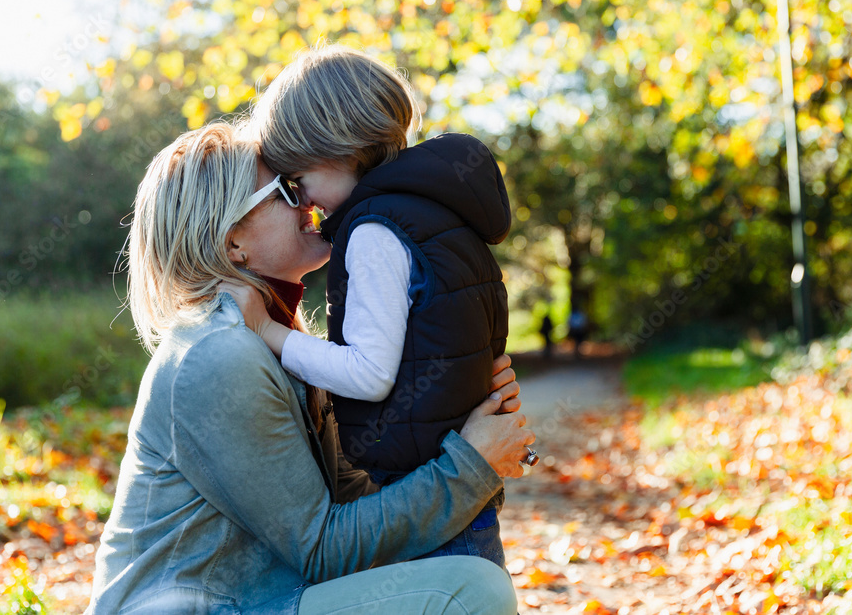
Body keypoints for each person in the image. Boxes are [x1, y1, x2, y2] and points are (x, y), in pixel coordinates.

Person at [85, 122, 533, 614]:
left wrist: (466, 420)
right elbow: (324, 548)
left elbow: (350, 499)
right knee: (470, 591)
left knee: (464, 577)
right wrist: (470, 465)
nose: (308, 201)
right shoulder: (220, 356)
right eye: (285, 190)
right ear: (234, 243)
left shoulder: (273, 339)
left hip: (259, 599)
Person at [226, 44, 515, 567]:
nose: (304, 201)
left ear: (336, 149)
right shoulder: (434, 213)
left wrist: (268, 331)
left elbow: (368, 373)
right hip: (453, 478)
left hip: (427, 492)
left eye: (299, 180)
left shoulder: (375, 230)